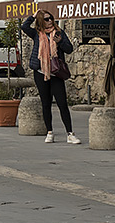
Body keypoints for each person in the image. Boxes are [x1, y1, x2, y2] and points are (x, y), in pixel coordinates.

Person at [22, 8, 80, 144]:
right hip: (41, 73)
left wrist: (59, 42)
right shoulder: (37, 34)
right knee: (45, 103)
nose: (50, 21)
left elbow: (69, 49)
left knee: (62, 103)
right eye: (46, 19)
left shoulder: (59, 33)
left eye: (51, 18)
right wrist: (33, 16)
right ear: (41, 21)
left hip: (56, 73)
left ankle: (70, 134)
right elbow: (24, 27)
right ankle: (49, 132)